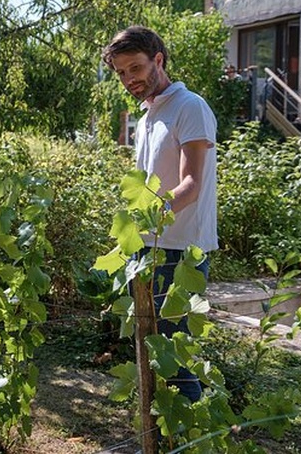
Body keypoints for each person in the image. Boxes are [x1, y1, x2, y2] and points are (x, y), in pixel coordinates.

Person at [102, 26, 218, 403]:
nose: (128, 80)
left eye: (134, 69)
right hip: (148, 248)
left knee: (175, 360)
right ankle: (159, 440)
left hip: (179, 250)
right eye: (121, 73)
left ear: (158, 60)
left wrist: (148, 218)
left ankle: (188, 442)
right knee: (152, 354)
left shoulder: (190, 107)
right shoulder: (150, 114)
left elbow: (191, 184)